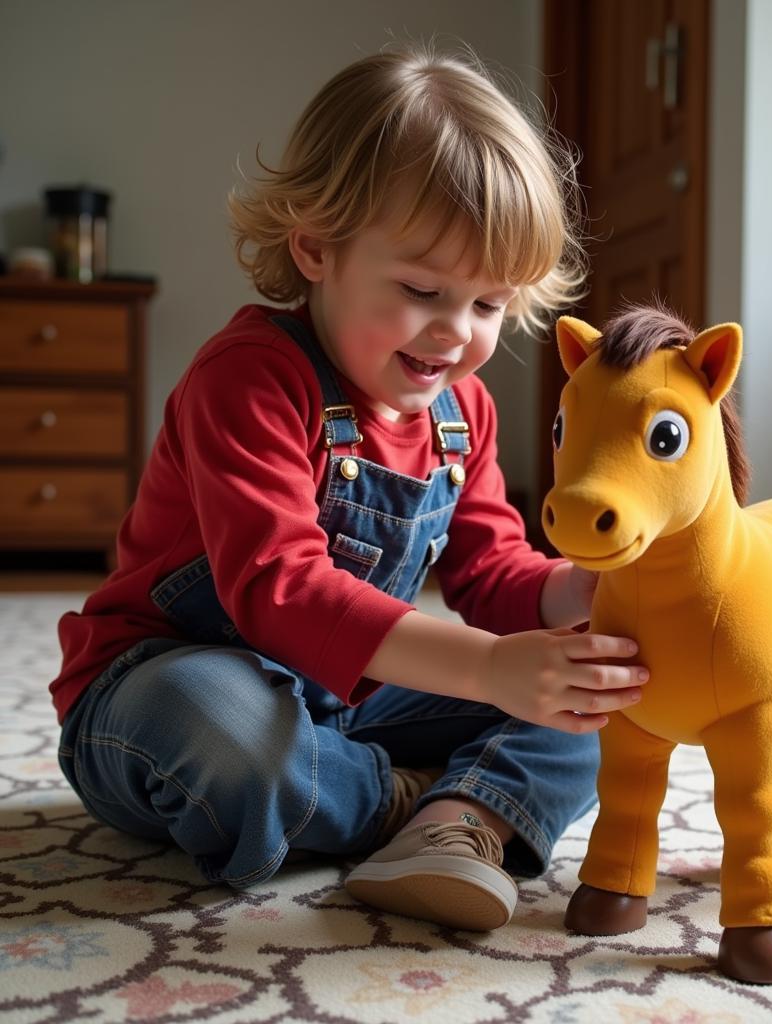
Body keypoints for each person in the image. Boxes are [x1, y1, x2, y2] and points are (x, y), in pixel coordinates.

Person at [50, 44, 649, 933]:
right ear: (316, 249)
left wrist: (584, 591)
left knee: (588, 708)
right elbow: (277, 589)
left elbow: (495, 578)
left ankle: (455, 821)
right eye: (421, 289)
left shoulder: (463, 414)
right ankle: (420, 807)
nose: (456, 332)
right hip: (160, 682)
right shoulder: (251, 378)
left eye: (489, 305)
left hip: (347, 698)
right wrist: (487, 668)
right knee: (224, 734)